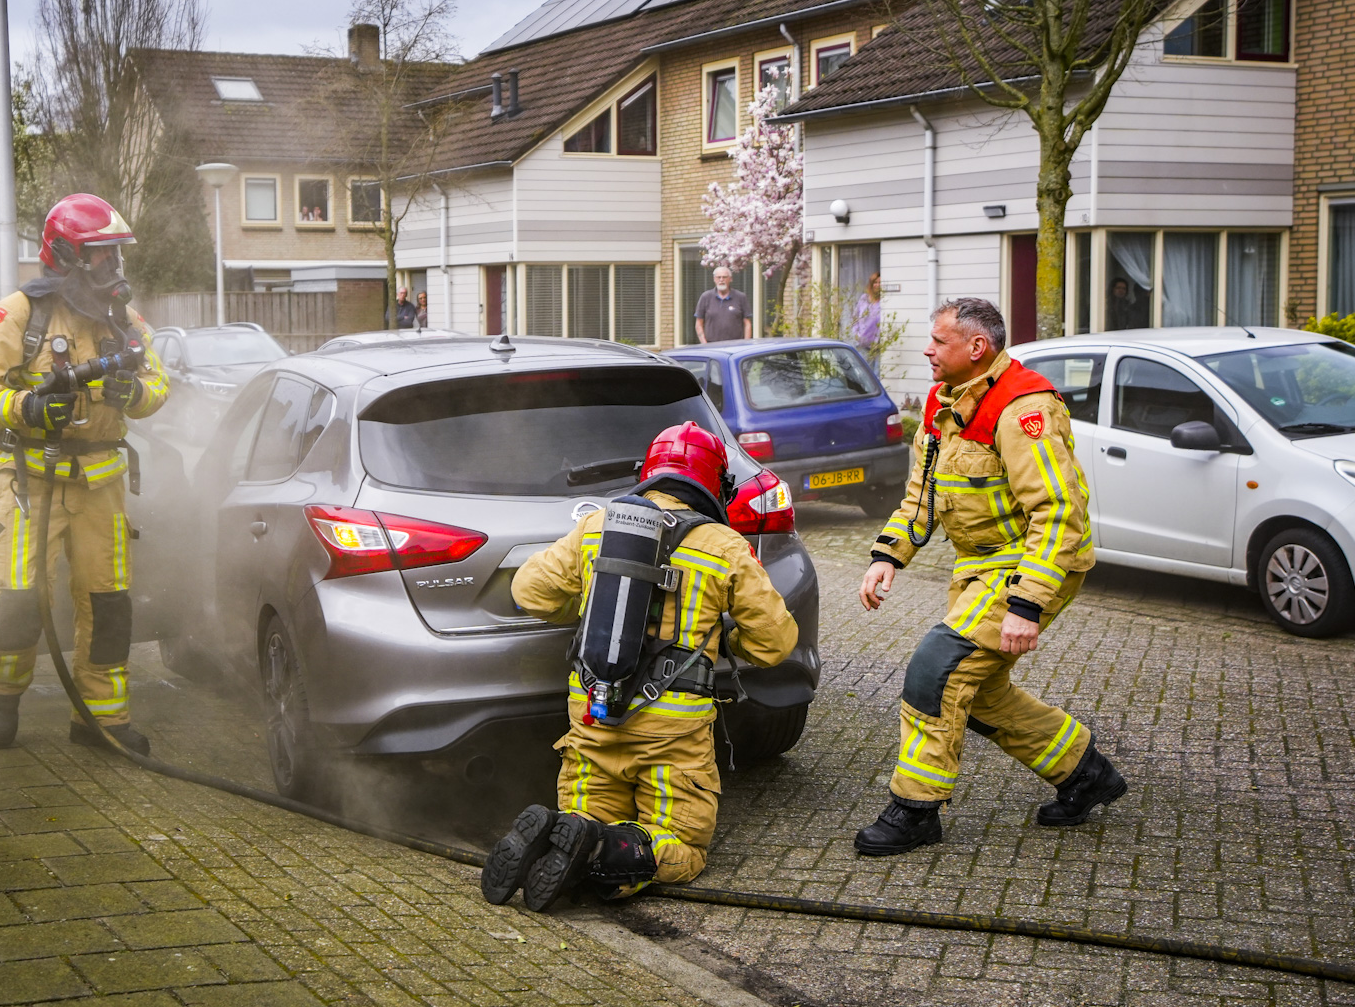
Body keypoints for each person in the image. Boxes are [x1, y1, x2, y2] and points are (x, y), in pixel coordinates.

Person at [481, 422, 797, 910]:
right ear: (714, 484)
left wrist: (585, 612)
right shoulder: (724, 545)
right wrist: (721, 640)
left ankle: (563, 839)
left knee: (584, 820)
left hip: (591, 717)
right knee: (682, 847)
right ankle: (603, 851)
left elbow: (528, 591)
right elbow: (776, 642)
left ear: (648, 472)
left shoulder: (596, 526)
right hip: (672, 732)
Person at [854, 296, 1124, 856]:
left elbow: (1059, 512)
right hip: (978, 567)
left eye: (939, 340)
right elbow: (921, 497)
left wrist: (1027, 603)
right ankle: (1083, 772)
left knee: (938, 669)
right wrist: (888, 555)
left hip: (1028, 565)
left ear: (977, 348)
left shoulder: (1023, 407)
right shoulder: (941, 402)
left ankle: (916, 809)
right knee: (979, 692)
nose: (927, 349)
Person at [0, 193, 170, 755]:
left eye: (116, 255)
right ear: (68, 254)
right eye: (102, 255)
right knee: (21, 598)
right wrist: (27, 408)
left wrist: (136, 392)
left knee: (107, 603)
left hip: (102, 482)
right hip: (31, 482)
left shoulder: (124, 319)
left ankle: (101, 721)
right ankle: (2, 693)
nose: (113, 267)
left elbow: (159, 384)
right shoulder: (19, 314)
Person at [695, 267, 752, 342]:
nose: (721, 280)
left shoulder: (740, 297)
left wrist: (745, 343)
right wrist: (704, 343)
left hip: (736, 346)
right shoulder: (705, 297)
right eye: (718, 277)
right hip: (712, 346)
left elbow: (747, 323)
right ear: (714, 279)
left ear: (730, 279)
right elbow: (699, 323)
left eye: (724, 277)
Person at [850, 272, 882, 354]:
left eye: (880, 283)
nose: (878, 285)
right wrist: (857, 335)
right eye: (875, 282)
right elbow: (855, 318)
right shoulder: (864, 299)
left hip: (879, 347)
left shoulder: (884, 302)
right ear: (871, 284)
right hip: (863, 346)